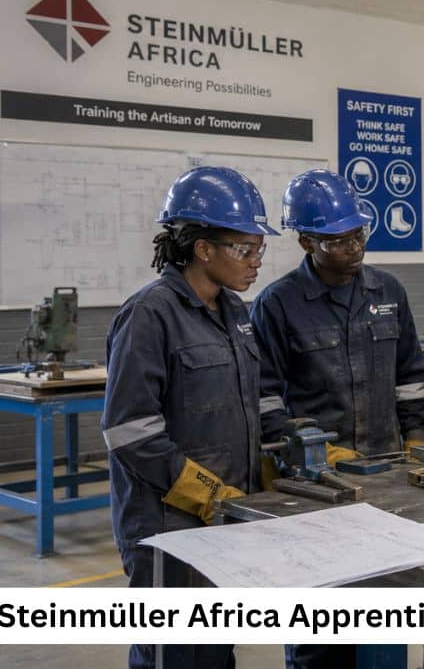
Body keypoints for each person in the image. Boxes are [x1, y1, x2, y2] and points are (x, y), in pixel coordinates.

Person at [250, 169, 424, 669]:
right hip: (314, 485)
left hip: (386, 472)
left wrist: (418, 443)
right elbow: (264, 397)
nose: (353, 248)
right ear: (307, 241)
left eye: (358, 235)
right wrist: (300, 448)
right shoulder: (277, 304)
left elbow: (411, 376)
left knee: (383, 603)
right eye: (337, 241)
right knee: (320, 624)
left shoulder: (388, 291)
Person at [101, 166, 279, 669]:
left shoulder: (236, 312)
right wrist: (203, 491)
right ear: (203, 249)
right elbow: (129, 431)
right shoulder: (149, 314)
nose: (256, 262)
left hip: (226, 516)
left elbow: (256, 398)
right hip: (169, 525)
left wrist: (279, 454)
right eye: (245, 250)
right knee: (173, 654)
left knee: (217, 650)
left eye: (259, 249)